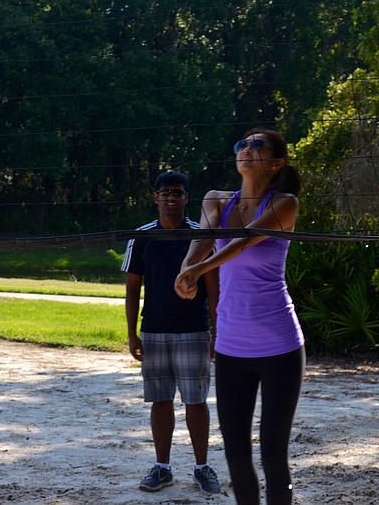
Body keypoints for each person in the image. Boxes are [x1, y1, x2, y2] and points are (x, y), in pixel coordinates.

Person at [175, 129, 305, 505]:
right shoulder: (216, 198)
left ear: (277, 163)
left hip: (279, 344)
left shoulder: (284, 202)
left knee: (273, 454)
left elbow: (244, 239)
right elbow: (204, 238)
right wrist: (187, 269)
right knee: (235, 452)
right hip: (231, 347)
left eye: (257, 145)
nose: (246, 149)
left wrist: (199, 272)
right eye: (242, 144)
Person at [121, 170, 221, 496]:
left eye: (177, 192)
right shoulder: (141, 236)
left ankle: (202, 467)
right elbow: (133, 288)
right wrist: (132, 333)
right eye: (164, 192)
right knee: (160, 400)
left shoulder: (201, 235)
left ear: (185, 198)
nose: (170, 197)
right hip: (154, 330)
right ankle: (162, 468)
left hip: (193, 329)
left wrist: (216, 332)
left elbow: (213, 287)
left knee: (196, 400)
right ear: (155, 197)